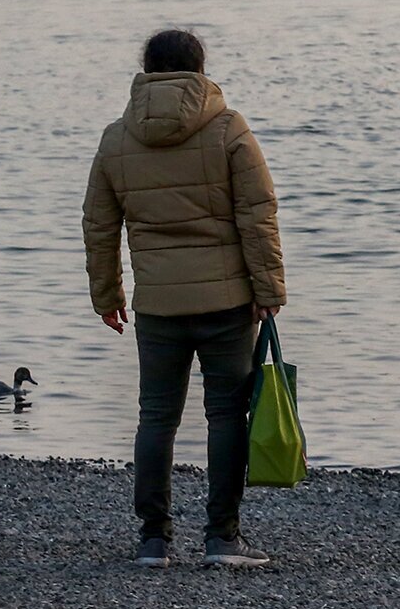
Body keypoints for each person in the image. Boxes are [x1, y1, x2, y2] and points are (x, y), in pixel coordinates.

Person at [82, 30, 287, 568]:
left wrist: (107, 294)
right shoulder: (228, 128)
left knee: (156, 417)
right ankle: (222, 538)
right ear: (200, 69)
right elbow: (258, 214)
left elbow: (99, 225)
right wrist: (268, 290)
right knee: (226, 416)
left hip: (157, 304)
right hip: (227, 302)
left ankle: (154, 539)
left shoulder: (117, 138)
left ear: (147, 70)